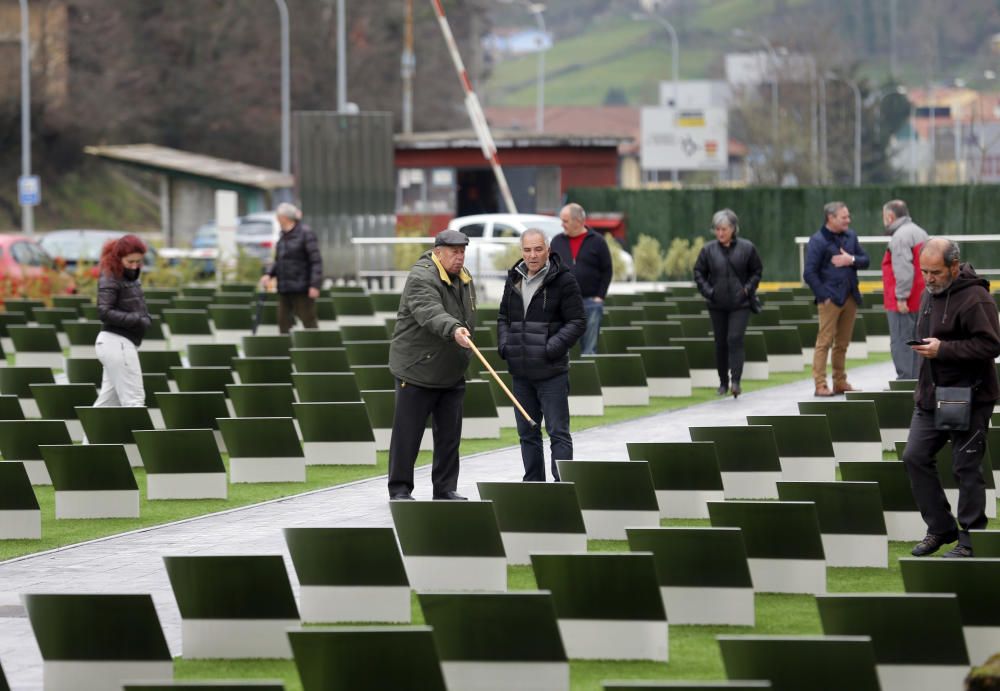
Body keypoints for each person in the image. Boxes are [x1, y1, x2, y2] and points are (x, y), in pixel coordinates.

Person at [903, 238, 1000, 558]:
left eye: (935, 272)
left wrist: (943, 349)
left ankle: (971, 541)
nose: (928, 278)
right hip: (931, 396)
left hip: (971, 396)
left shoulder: (976, 298)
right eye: (924, 272)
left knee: (965, 466)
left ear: (954, 267)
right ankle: (941, 528)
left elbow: (990, 346)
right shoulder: (928, 296)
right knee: (914, 456)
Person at [387, 229, 477, 501]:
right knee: (408, 435)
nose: (459, 257)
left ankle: (445, 488)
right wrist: (454, 329)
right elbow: (429, 310)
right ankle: (400, 490)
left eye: (462, 252)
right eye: (453, 252)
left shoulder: (464, 277)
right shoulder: (421, 276)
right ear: (438, 252)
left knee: (449, 437)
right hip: (417, 369)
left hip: (451, 370)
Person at [498, 229, 586, 481]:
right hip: (521, 373)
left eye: (538, 249)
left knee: (558, 432)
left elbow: (578, 321)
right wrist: (505, 345)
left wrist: (550, 349)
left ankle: (563, 486)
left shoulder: (564, 279)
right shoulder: (513, 278)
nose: (532, 255)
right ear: (521, 251)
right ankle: (533, 486)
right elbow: (503, 317)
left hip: (552, 373)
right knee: (527, 434)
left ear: (548, 249)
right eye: (527, 250)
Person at [693, 209, 764, 398]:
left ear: (733, 229)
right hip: (717, 304)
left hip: (740, 303)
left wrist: (747, 289)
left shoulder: (747, 248)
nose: (720, 233)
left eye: (723, 229)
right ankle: (723, 382)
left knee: (735, 339)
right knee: (720, 343)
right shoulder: (708, 250)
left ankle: (736, 381)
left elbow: (756, 271)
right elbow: (698, 273)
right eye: (717, 229)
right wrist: (709, 292)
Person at [803, 201, 870, 397]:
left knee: (842, 344)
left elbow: (865, 260)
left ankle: (840, 382)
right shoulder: (817, 241)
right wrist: (823, 296)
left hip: (850, 297)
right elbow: (809, 273)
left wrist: (851, 260)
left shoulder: (851, 236)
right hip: (830, 300)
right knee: (824, 342)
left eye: (848, 216)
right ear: (830, 218)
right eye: (844, 217)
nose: (848, 220)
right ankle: (820, 384)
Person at [95, 234, 151, 407]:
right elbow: (104, 311)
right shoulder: (111, 276)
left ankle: (90, 435)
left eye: (138, 262)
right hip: (118, 343)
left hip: (117, 344)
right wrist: (137, 320)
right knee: (134, 400)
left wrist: (144, 318)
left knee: (108, 403)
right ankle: (139, 435)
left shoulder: (128, 277)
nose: (134, 266)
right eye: (130, 261)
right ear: (119, 258)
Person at [550, 202, 612, 355]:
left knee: (589, 349)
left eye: (565, 221)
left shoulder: (598, 241)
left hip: (591, 302)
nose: (562, 224)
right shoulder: (556, 241)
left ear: (578, 221)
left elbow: (607, 270)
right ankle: (562, 378)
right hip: (563, 303)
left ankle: (588, 377)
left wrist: (600, 296)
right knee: (560, 349)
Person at [881, 199, 929, 380]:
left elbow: (903, 270)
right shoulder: (920, 232)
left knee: (902, 343)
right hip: (920, 299)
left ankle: (905, 386)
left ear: (890, 216)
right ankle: (918, 384)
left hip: (904, 301)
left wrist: (901, 297)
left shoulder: (900, 236)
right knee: (918, 343)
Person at [259, 202, 322, 334]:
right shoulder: (282, 235)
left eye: (278, 216)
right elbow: (279, 260)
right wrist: (269, 274)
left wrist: (315, 285)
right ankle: (286, 351)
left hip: (302, 288)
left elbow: (316, 261)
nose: (277, 218)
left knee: (309, 322)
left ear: (284, 217)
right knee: (283, 322)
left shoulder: (305, 234)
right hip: (284, 287)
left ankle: (316, 349)